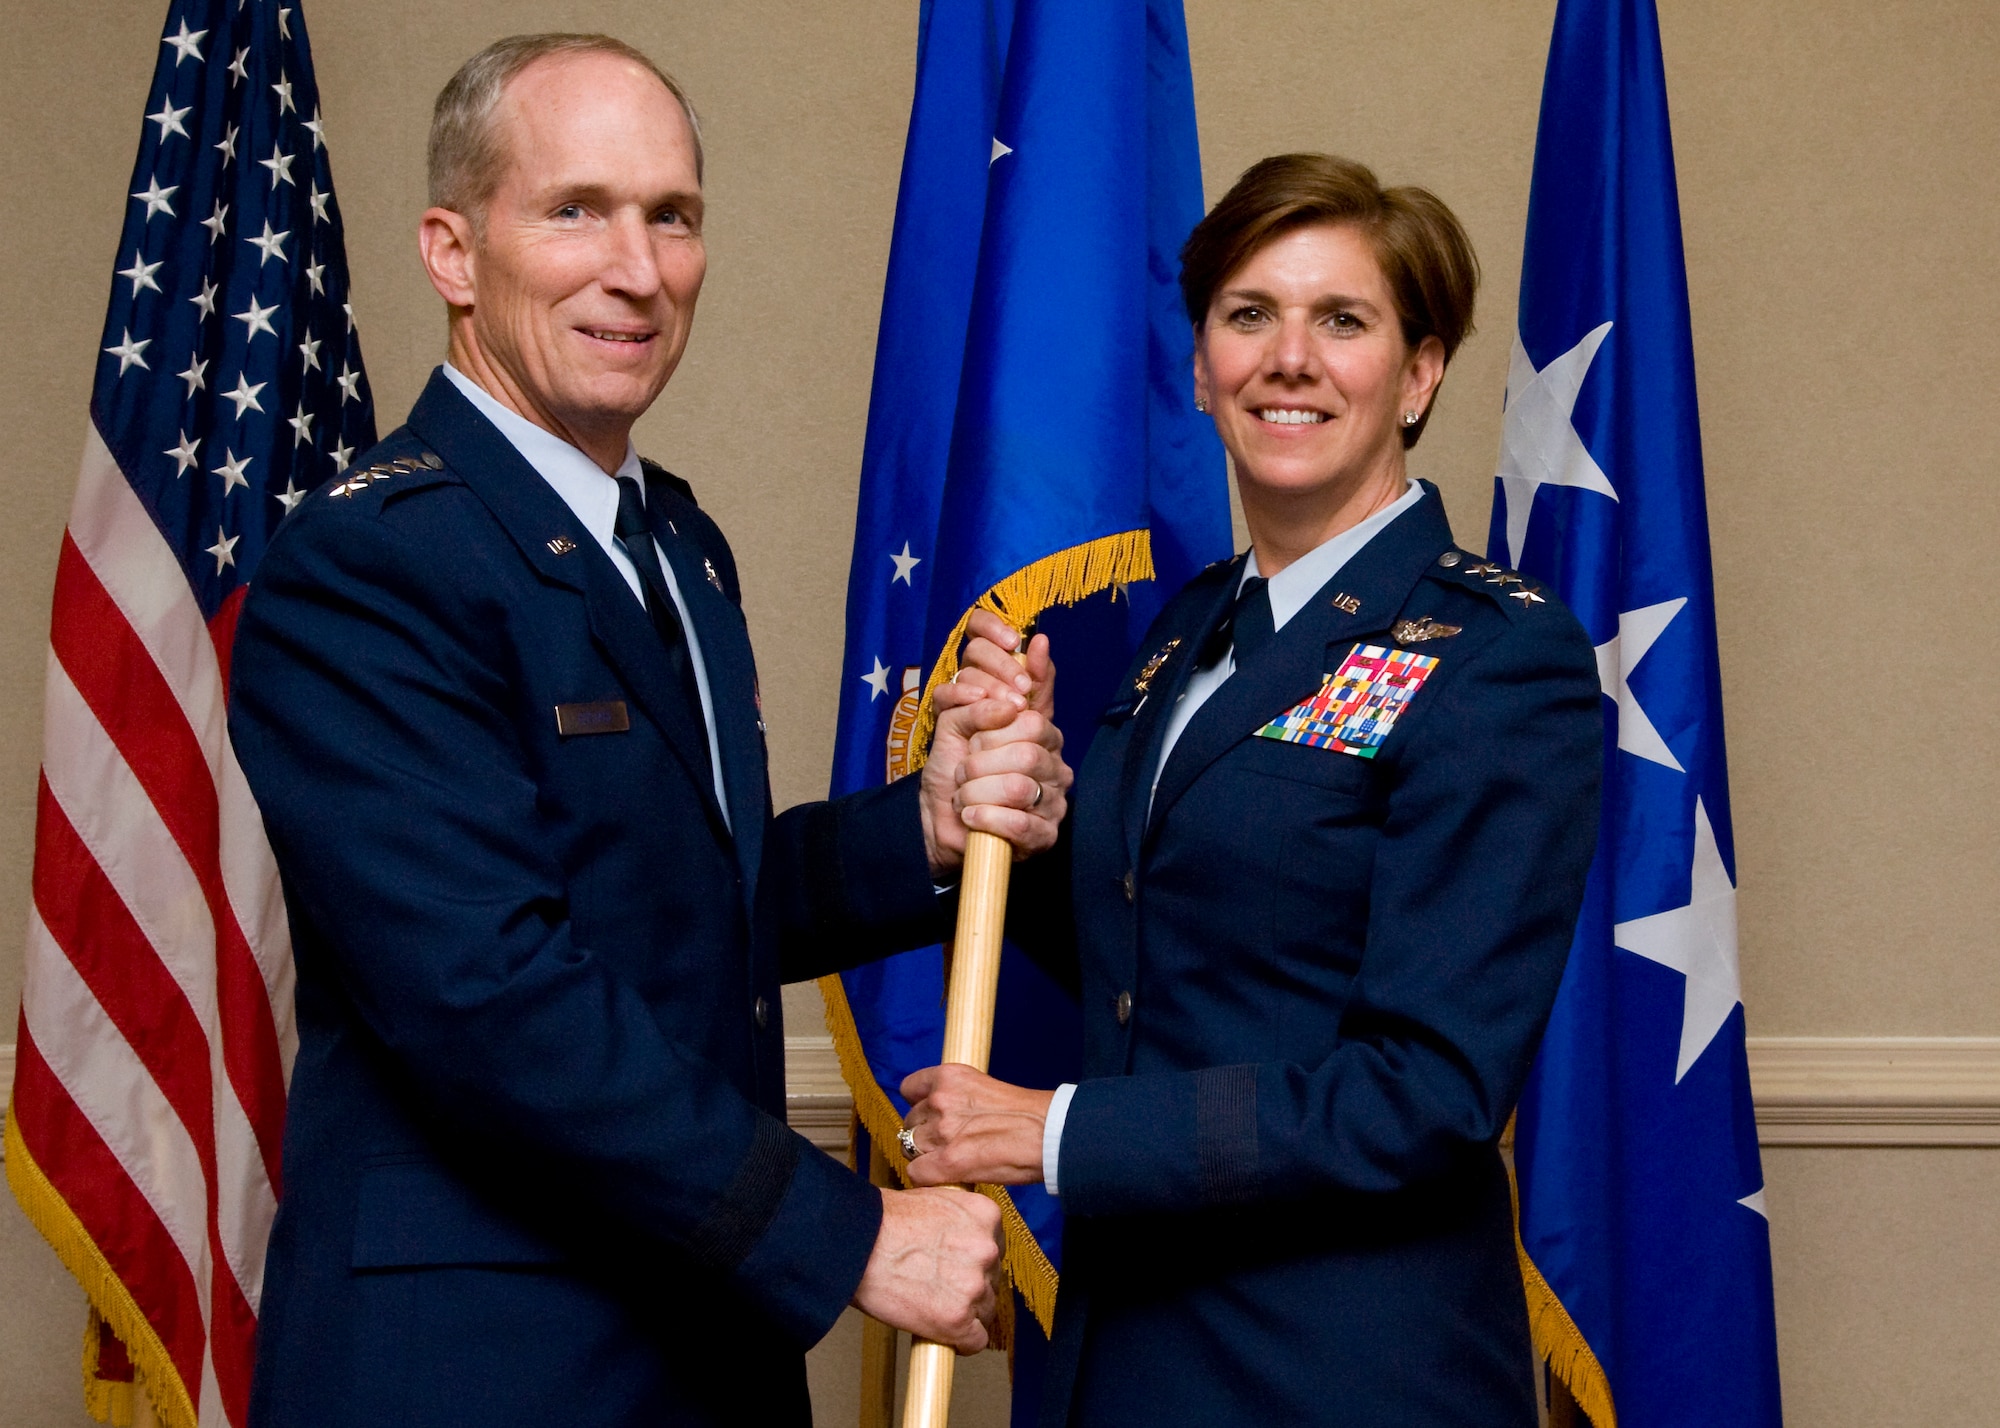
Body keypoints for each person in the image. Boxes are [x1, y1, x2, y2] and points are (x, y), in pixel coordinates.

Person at [227, 34, 1071, 1428]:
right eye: (574, 210)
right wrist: (852, 1235)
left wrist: (917, 826)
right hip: (489, 1366)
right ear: (451, 251)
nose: (637, 268)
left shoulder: (676, 540)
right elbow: (493, 995)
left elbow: (676, 903)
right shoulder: (371, 564)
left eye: (670, 216)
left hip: (701, 1344)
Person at [901, 154, 1604, 1427]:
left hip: (1335, 1373)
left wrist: (1052, 1134)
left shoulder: (1499, 656)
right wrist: (1000, 804)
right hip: (1124, 1353)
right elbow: (1162, 953)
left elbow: (1426, 1091)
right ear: (1198, 369)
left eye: (1341, 321)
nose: (1288, 358)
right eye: (1247, 315)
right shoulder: (1187, 635)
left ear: (1418, 374)